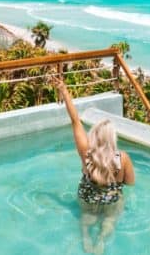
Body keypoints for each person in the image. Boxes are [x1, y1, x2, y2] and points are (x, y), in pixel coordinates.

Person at [54, 79, 135, 254]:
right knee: (110, 220)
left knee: (86, 218)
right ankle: (101, 239)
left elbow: (75, 121)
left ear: (95, 136)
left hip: (88, 196)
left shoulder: (87, 155)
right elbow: (130, 183)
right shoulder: (124, 159)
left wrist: (64, 91)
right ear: (112, 139)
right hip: (111, 198)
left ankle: (86, 237)